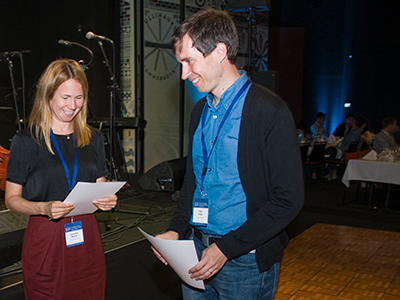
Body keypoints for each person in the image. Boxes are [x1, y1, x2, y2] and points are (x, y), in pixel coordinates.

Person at [152, 9, 304, 300]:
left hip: (245, 261)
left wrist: (226, 248)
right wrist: (175, 230)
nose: (184, 74)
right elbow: (193, 185)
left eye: (189, 61)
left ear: (220, 51)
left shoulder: (269, 111)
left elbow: (289, 199)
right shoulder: (200, 112)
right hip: (196, 253)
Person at [5, 59, 117, 299]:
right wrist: (43, 207)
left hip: (86, 237)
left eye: (79, 98)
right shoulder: (26, 141)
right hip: (45, 237)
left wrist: (107, 198)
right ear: (48, 95)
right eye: (65, 97)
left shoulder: (93, 138)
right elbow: (11, 199)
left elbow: (100, 186)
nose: (73, 105)